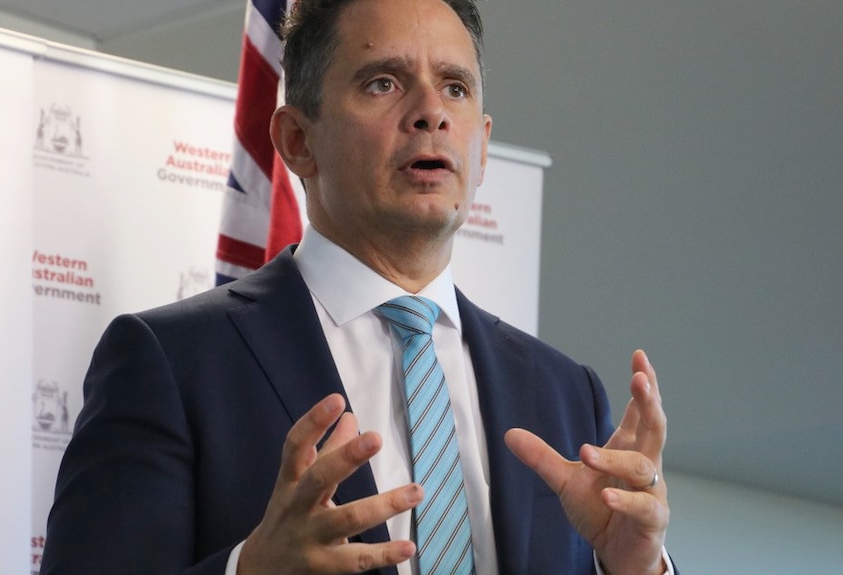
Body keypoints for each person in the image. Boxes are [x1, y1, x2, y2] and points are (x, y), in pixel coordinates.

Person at [41, 1, 676, 574]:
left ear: (481, 147)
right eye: (384, 82)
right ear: (297, 139)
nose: (431, 112)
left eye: (455, 88)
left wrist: (636, 568)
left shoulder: (565, 395)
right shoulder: (171, 361)